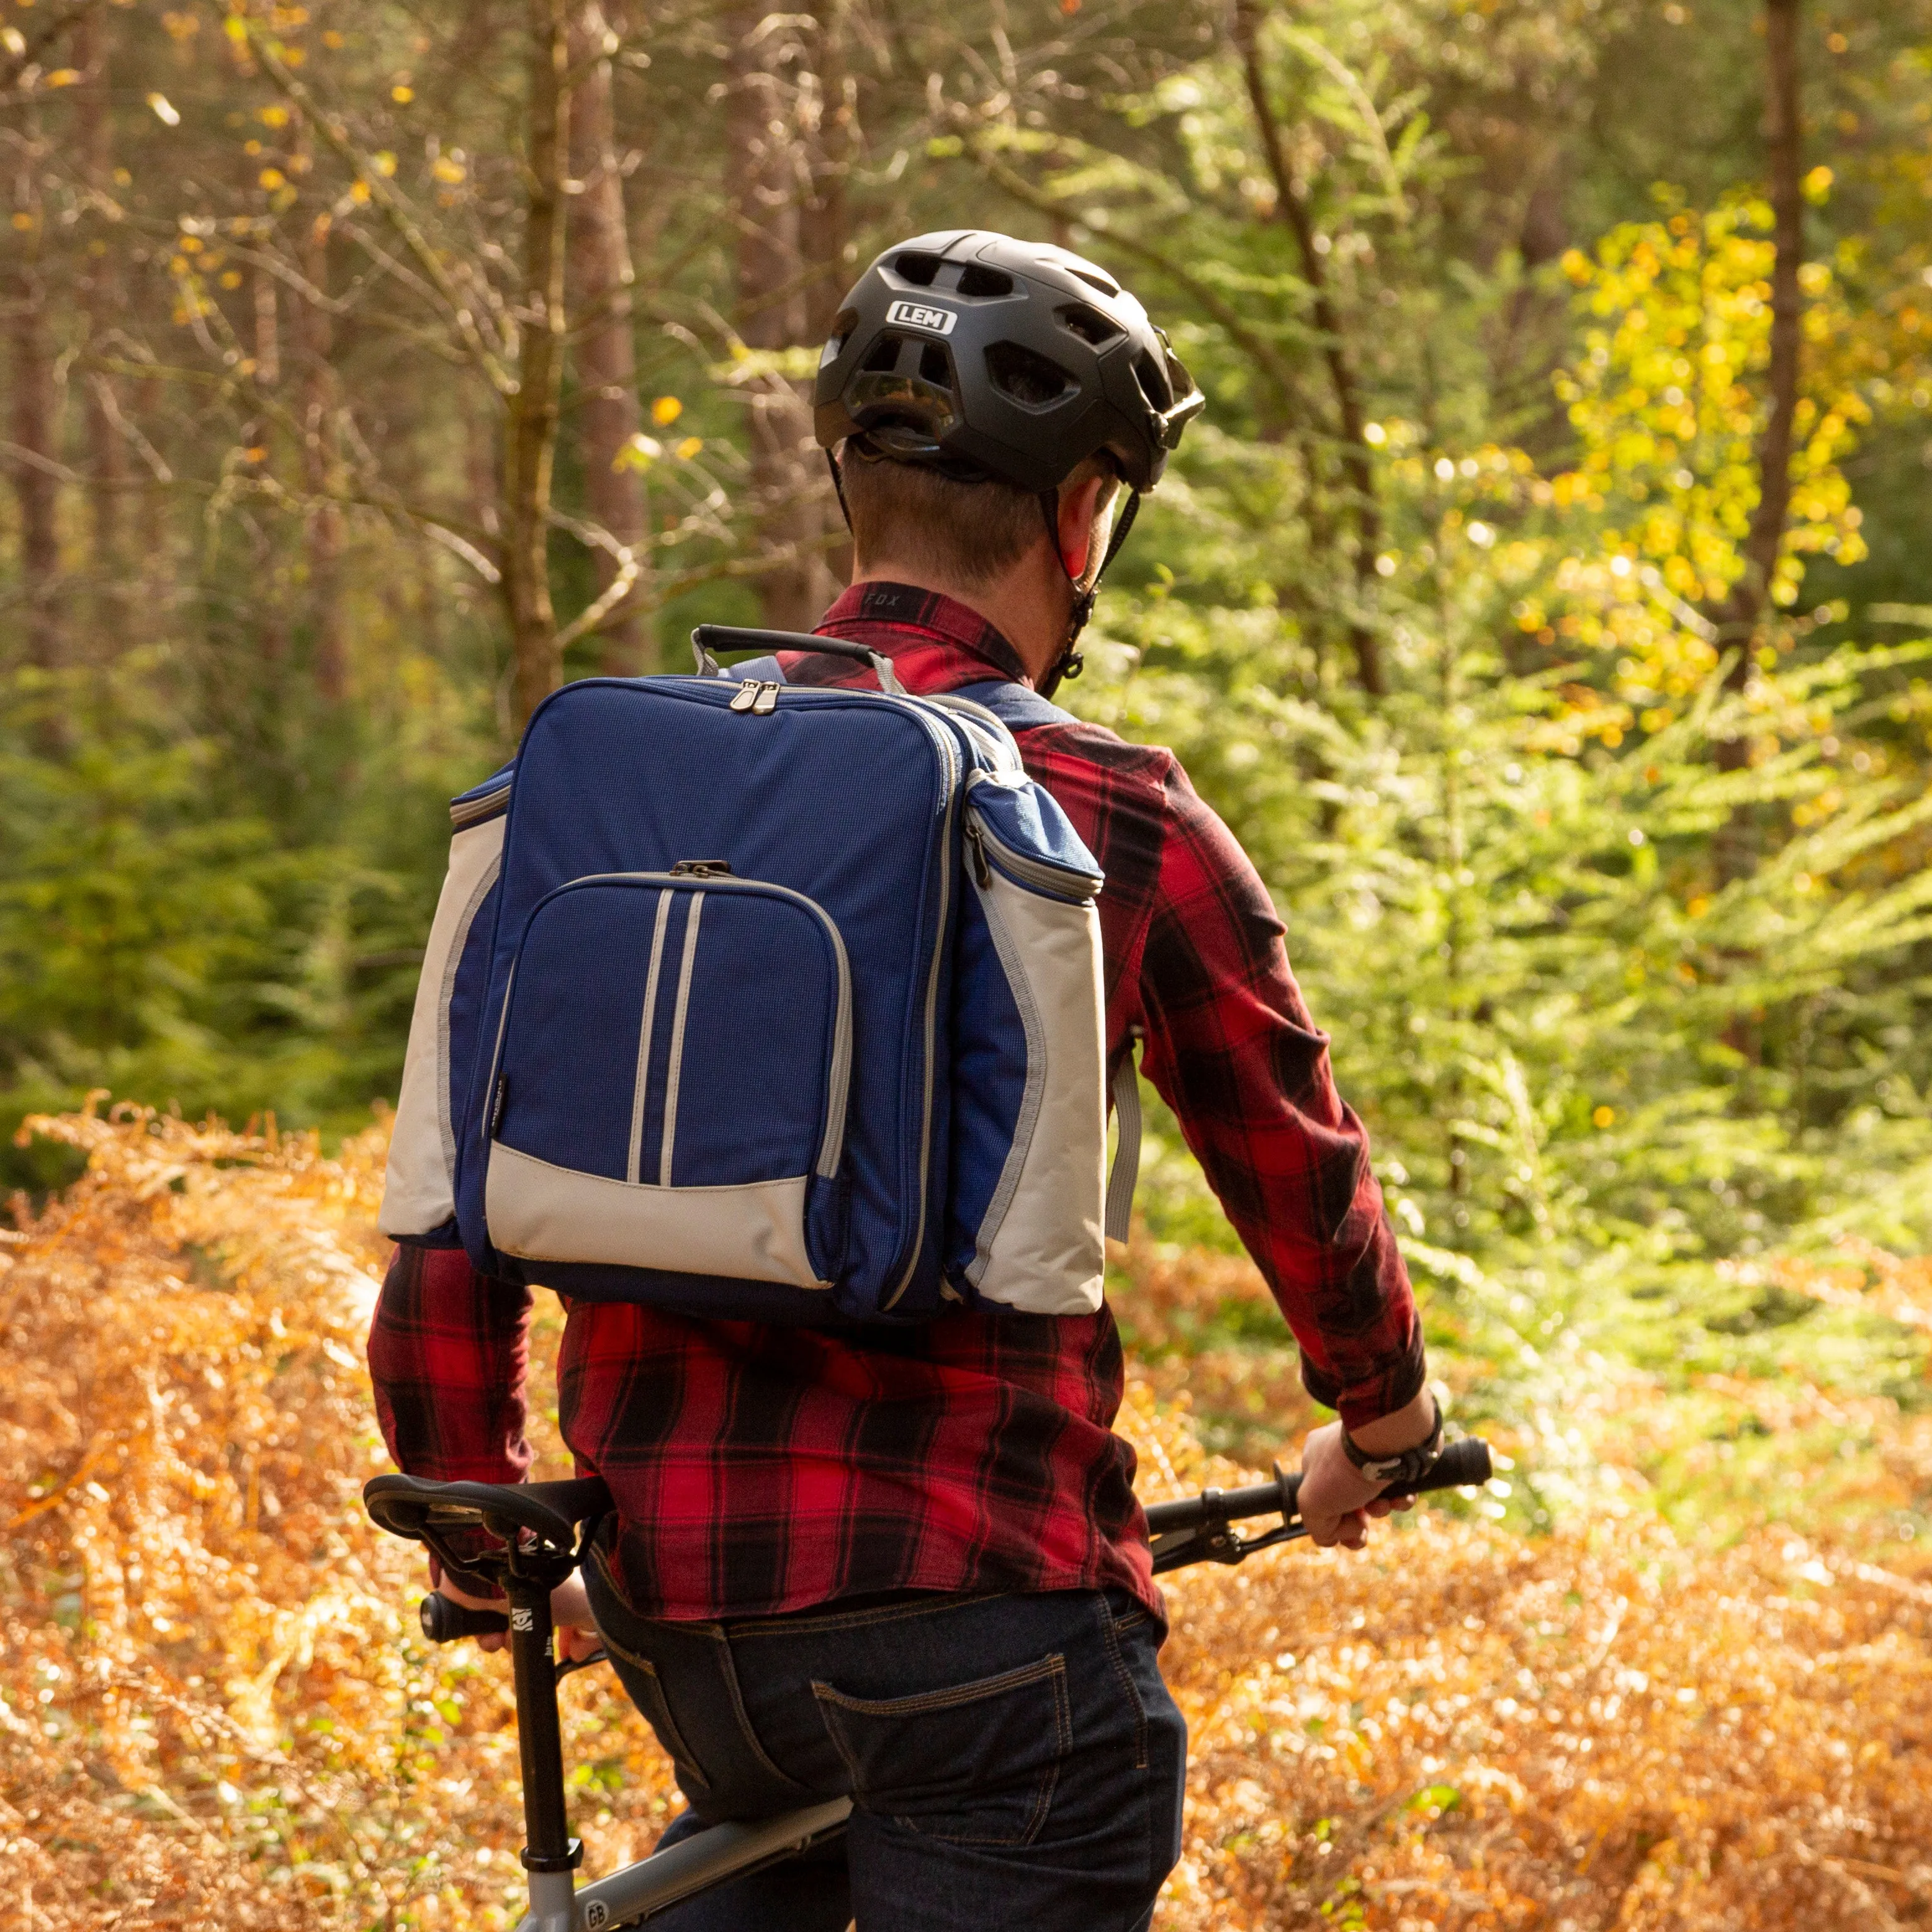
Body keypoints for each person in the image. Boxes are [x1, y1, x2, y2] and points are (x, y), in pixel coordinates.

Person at [367, 229, 1438, 1932]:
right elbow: (1293, 1158)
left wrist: (490, 1538)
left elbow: (445, 1215)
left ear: (849, 482)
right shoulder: (1110, 810)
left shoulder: (601, 791)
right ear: (1089, 517)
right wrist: (1384, 1419)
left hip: (682, 1622)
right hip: (991, 1631)